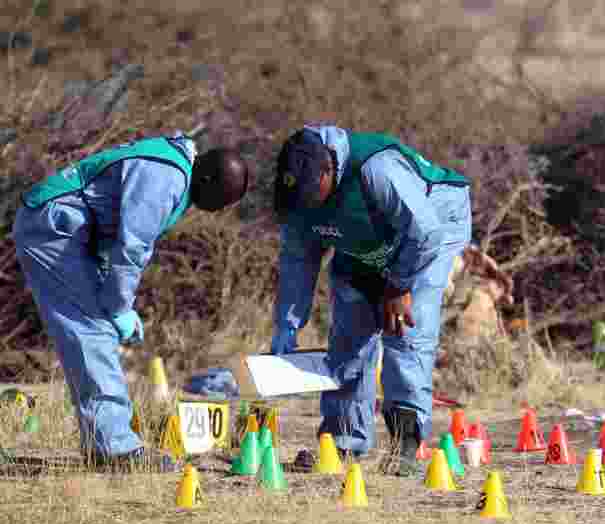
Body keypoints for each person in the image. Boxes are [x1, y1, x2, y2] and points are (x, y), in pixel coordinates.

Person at [14, 132, 249, 471]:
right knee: (92, 330)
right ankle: (114, 449)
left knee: (97, 328)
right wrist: (119, 308)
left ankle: (105, 443)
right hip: (54, 228)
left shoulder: (172, 167)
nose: (221, 209)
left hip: (67, 227)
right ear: (209, 179)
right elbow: (130, 250)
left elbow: (114, 237)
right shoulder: (167, 177)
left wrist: (116, 302)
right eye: (223, 198)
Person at [271, 125, 472, 476]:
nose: (306, 203)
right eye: (298, 196)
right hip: (367, 239)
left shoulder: (377, 170)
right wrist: (287, 326)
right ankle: (344, 441)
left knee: (406, 329)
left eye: (311, 193)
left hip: (432, 224)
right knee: (350, 330)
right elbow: (297, 260)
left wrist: (398, 287)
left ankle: (406, 444)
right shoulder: (297, 196)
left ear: (329, 171)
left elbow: (424, 234)